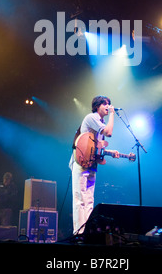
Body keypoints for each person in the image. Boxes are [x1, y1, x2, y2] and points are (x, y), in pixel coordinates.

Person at [69, 95, 119, 235]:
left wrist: (109, 152)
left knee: (89, 200)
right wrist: (113, 115)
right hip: (81, 163)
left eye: (109, 104)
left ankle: (88, 232)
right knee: (80, 199)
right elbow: (108, 132)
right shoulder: (92, 118)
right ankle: (79, 233)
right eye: (105, 104)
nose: (108, 106)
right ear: (97, 106)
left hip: (91, 164)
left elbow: (96, 148)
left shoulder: (101, 121)